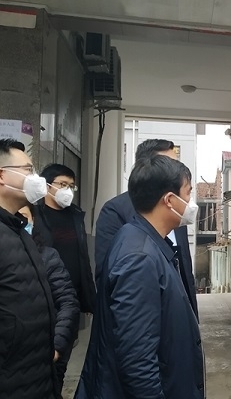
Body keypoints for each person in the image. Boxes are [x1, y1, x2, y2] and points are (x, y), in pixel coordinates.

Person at [75, 155, 205, 398]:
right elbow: (137, 359)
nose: (190, 202)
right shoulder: (140, 258)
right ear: (169, 200)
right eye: (188, 193)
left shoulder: (142, 240)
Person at [95, 139, 198, 320]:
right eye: (168, 163)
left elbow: (184, 271)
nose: (176, 169)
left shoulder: (176, 215)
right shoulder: (117, 213)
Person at [0, 138, 58, 398]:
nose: (36, 178)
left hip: (34, 377)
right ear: (2, 175)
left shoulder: (19, 231)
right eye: (28, 170)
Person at [35, 163, 96, 379]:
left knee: (62, 359)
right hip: (45, 295)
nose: (67, 190)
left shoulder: (75, 216)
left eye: (71, 186)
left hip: (70, 300)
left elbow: (83, 259)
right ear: (47, 185)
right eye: (62, 184)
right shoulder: (35, 214)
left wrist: (88, 297)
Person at [20, 204, 80, 395]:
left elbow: (68, 302)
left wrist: (57, 346)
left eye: (23, 217)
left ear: (33, 221)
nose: (18, 221)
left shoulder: (47, 257)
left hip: (45, 355)